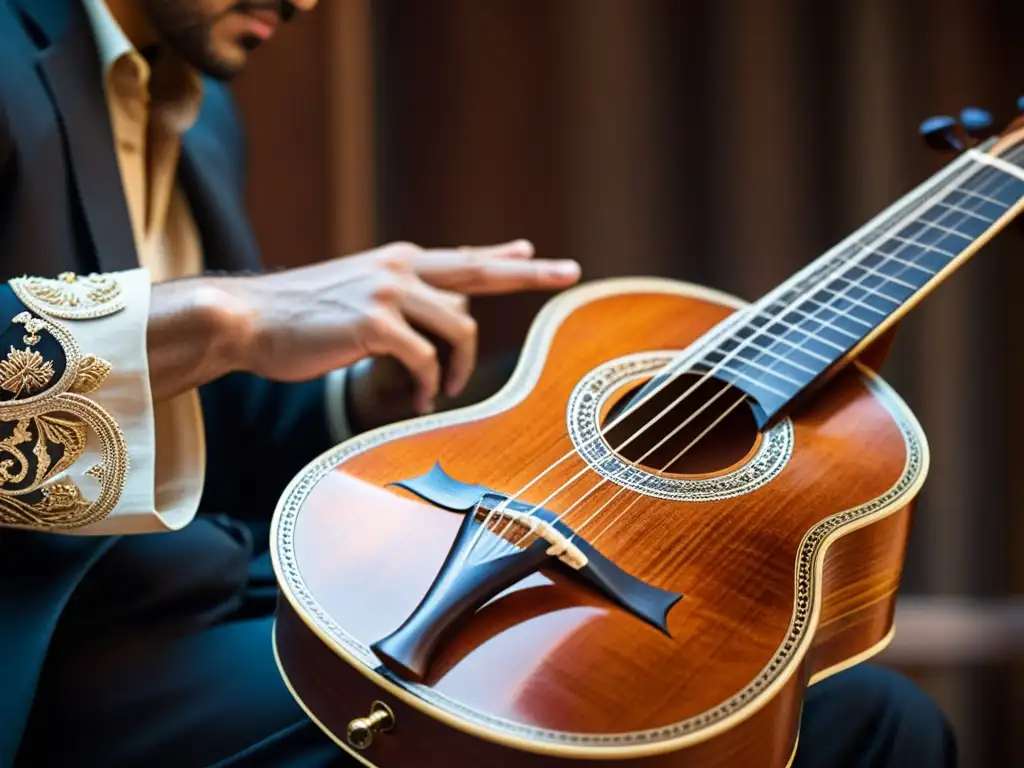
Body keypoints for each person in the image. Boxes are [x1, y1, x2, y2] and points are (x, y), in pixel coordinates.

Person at [0, 1, 957, 766]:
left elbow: (186, 429)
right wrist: (229, 316)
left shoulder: (203, 115)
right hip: (59, 652)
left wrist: (368, 391)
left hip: (229, 584)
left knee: (870, 717)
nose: (305, 4)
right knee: (553, 728)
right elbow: (187, 346)